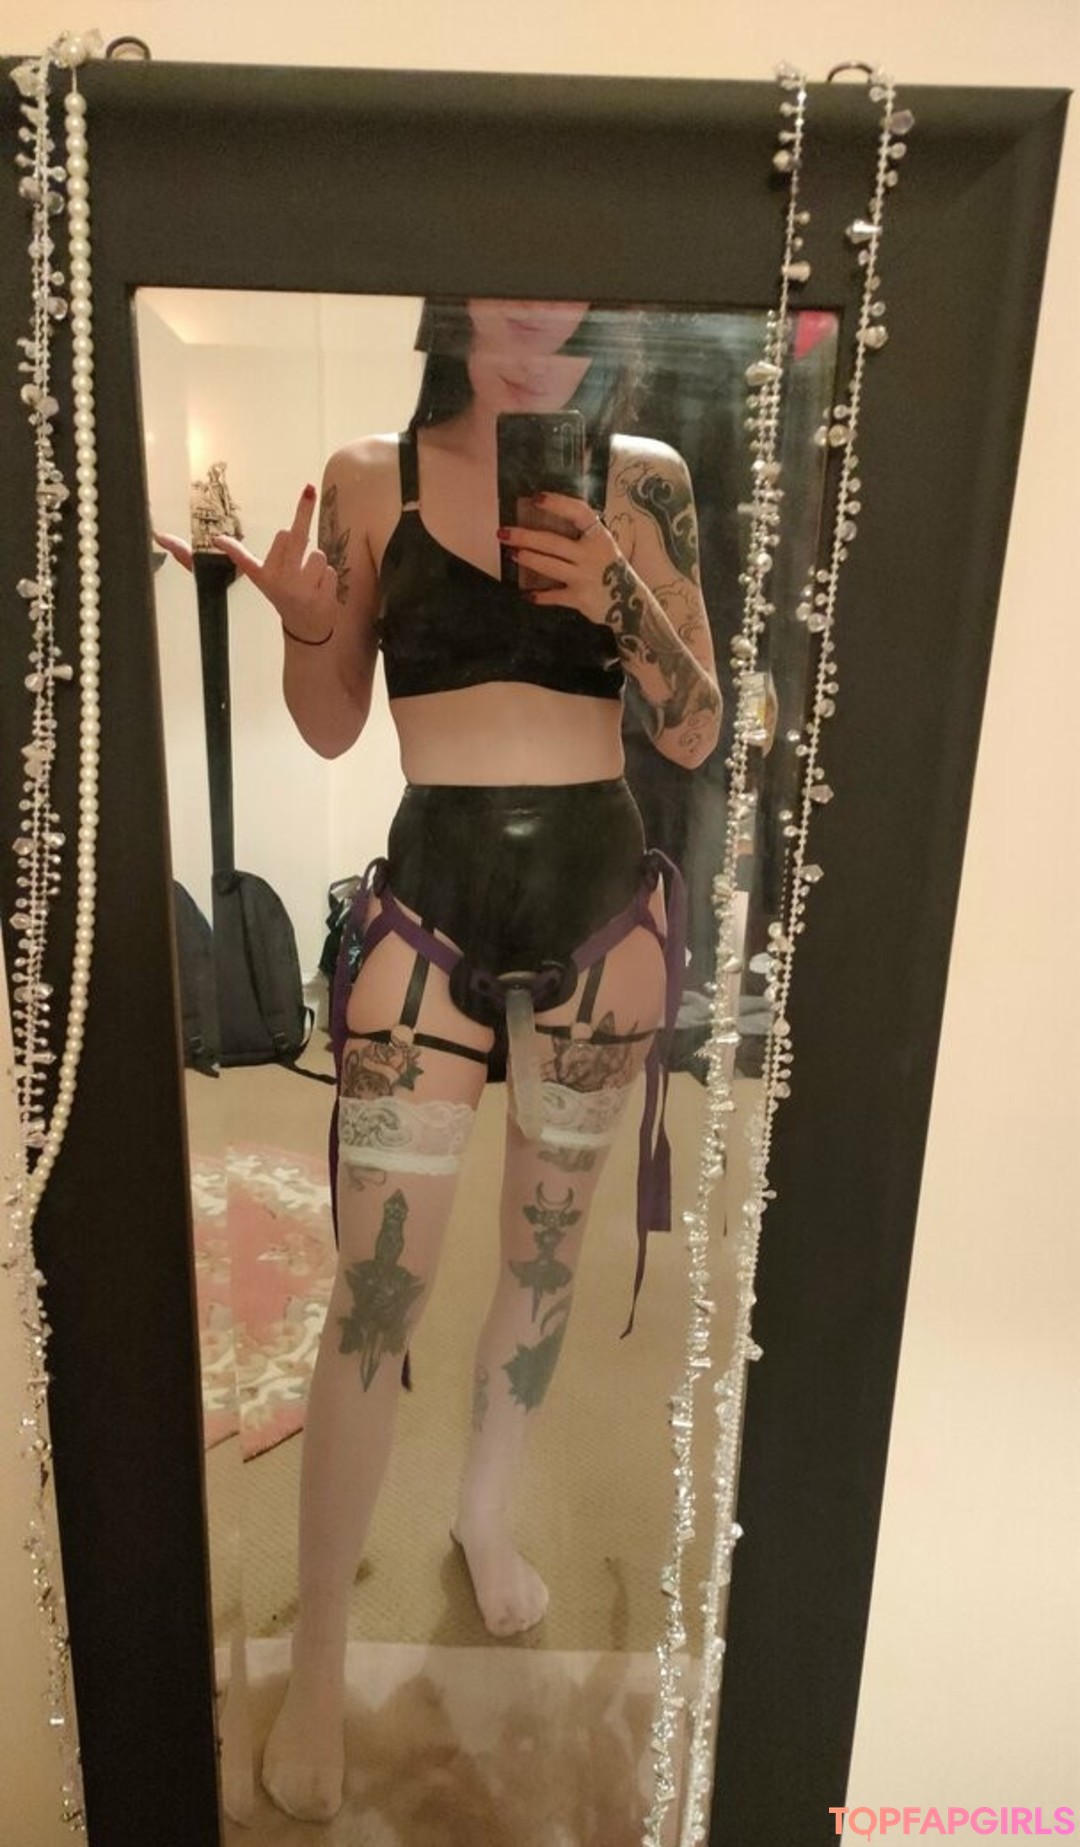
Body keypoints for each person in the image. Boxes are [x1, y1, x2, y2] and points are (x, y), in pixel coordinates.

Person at [204, 298, 720, 1821]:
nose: (534, 323)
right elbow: (327, 726)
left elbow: (695, 730)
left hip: (597, 911)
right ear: (456, 301)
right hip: (425, 907)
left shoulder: (647, 479)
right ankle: (319, 1652)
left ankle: (486, 1515)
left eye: (564, 301)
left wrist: (622, 593)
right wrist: (308, 626)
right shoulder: (367, 477)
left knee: (541, 1259)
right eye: (505, 295)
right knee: (378, 1287)